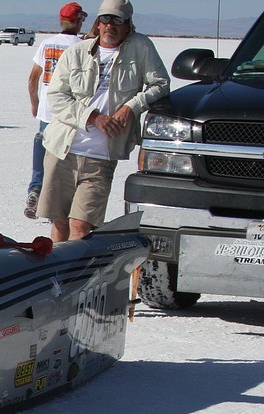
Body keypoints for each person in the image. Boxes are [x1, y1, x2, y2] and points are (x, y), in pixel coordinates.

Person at [37, 0, 168, 243]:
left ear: (128, 25)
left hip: (101, 157)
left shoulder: (140, 48)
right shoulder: (77, 52)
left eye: (118, 20)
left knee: (81, 225)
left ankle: (78, 277)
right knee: (60, 222)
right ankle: (60, 277)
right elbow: (56, 97)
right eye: (106, 19)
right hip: (63, 150)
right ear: (97, 24)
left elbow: (161, 84)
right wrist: (93, 117)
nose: (111, 25)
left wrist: (131, 107)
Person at [25, 2, 88, 219]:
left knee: (42, 153)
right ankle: (59, 206)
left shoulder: (47, 44)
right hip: (70, 113)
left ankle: (35, 190)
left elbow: (34, 77)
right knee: (65, 161)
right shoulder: (83, 46)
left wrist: (35, 102)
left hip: (47, 111)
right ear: (78, 20)